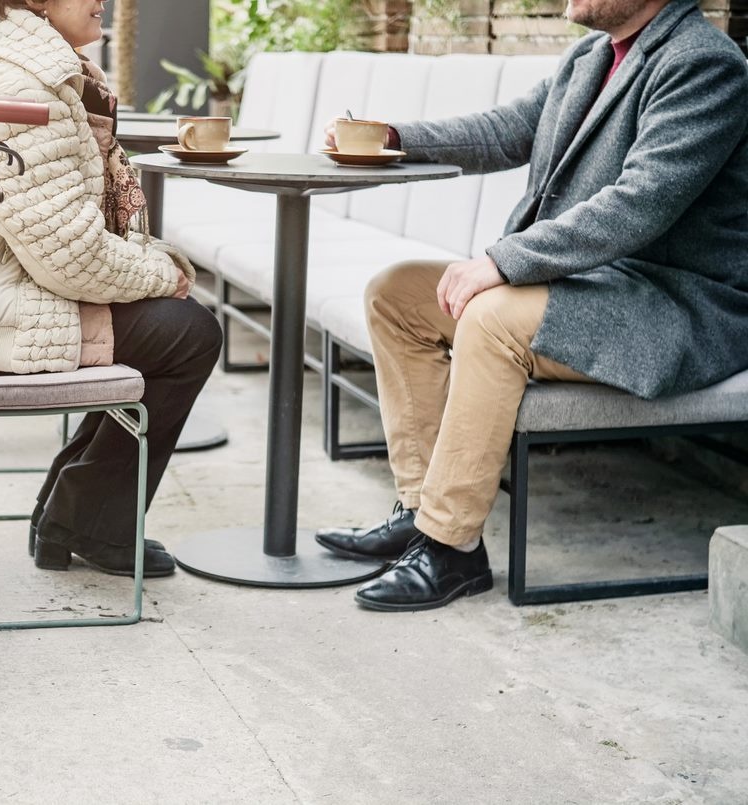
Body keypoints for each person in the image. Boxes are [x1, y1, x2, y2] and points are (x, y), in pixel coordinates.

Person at [316, 0, 748, 611]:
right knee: (398, 295)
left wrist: (503, 261)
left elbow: (641, 202)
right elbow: (500, 132)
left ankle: (452, 549)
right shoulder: (591, 57)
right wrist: (393, 138)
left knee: (491, 318)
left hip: (675, 303)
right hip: (597, 288)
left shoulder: (705, 64)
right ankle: (421, 510)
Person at [0, 0, 222, 577]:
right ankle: (85, 524)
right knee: (188, 334)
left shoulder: (16, 72)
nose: (104, 2)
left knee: (167, 325)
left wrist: (150, 268)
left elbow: (62, 238)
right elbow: (70, 256)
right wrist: (164, 271)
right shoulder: (23, 89)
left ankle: (73, 517)